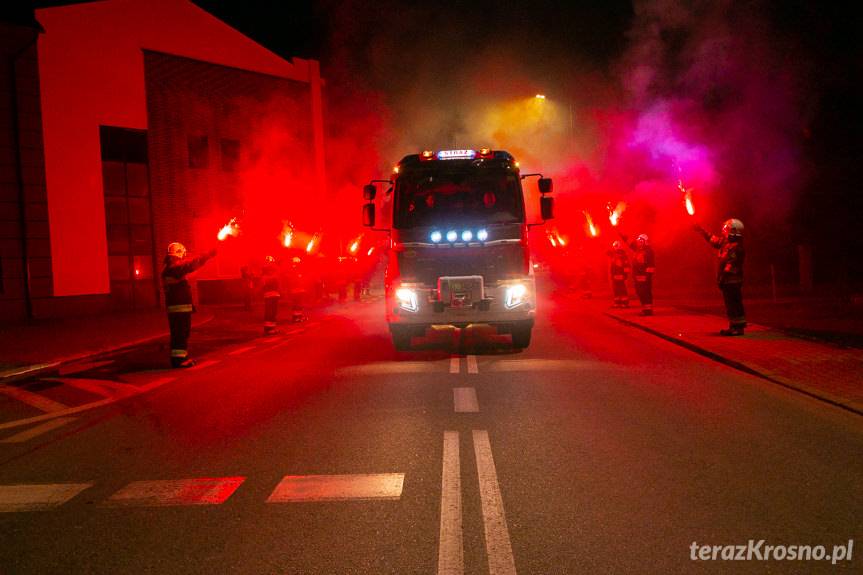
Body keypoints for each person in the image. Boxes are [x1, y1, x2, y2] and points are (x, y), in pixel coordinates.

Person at [162, 242, 216, 367]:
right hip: (178, 309)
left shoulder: (172, 269)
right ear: (176, 255)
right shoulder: (173, 269)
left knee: (182, 333)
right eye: (181, 256)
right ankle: (179, 361)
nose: (182, 259)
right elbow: (189, 266)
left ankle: (181, 357)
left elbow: (188, 267)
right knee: (180, 334)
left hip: (179, 309)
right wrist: (206, 256)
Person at [694, 218, 746, 335]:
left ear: (734, 231)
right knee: (731, 305)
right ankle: (734, 326)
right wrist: (701, 230)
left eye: (726, 229)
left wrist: (722, 278)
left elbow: (730, 265)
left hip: (732, 281)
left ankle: (737, 328)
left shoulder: (736, 247)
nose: (724, 231)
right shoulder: (725, 243)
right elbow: (712, 239)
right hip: (727, 281)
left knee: (734, 304)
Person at [622, 232, 655, 315]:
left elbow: (650, 265)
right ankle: (645, 309)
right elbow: (629, 242)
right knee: (639, 292)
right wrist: (621, 233)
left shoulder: (648, 251)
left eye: (641, 241)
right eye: (638, 241)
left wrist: (647, 277)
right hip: (638, 276)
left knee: (646, 292)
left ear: (645, 241)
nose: (639, 242)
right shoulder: (637, 249)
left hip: (645, 277)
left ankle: (648, 310)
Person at [607, 240, 631, 308]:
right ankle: (617, 303)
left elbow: (626, 265)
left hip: (621, 275)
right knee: (616, 289)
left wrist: (625, 275)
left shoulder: (623, 255)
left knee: (622, 289)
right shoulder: (613, 255)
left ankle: (625, 303)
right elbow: (612, 265)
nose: (615, 247)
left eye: (616, 246)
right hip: (615, 275)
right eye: (614, 246)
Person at [262, 255, 281, 335]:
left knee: (273, 312)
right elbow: (265, 284)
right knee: (270, 312)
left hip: (274, 295)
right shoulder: (266, 277)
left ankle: (271, 328)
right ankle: (269, 329)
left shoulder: (270, 275)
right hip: (270, 295)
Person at [287, 256, 307, 323]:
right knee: (298, 304)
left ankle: (297, 317)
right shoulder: (297, 270)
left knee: (297, 304)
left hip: (295, 290)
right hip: (298, 290)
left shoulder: (292, 270)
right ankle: (297, 317)